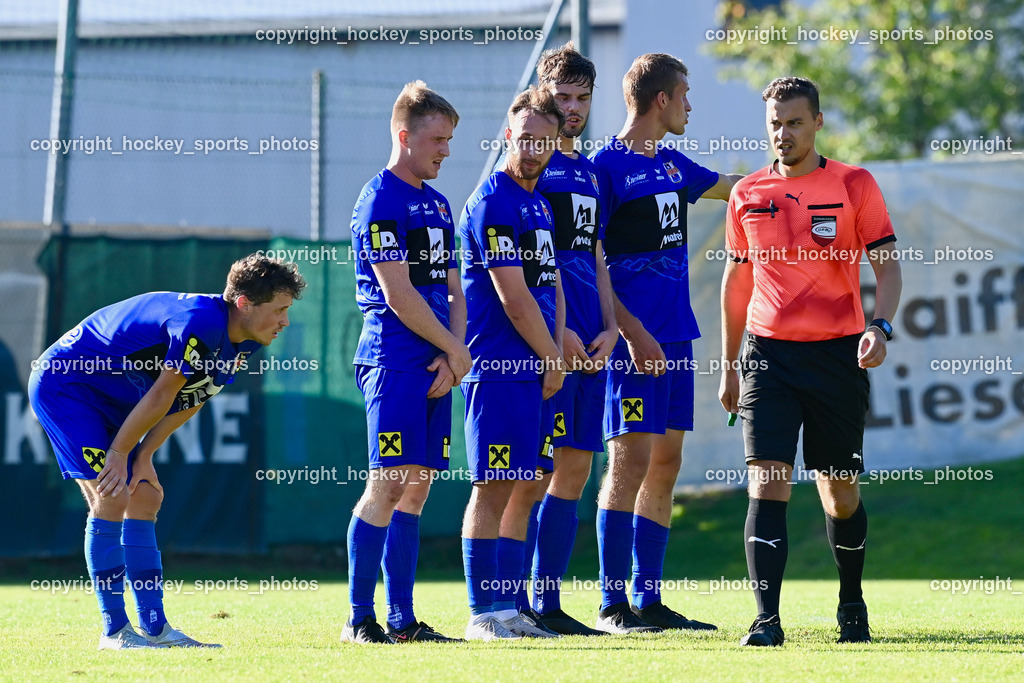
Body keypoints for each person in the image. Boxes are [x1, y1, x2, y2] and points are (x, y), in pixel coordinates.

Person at [28, 254, 305, 649]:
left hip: (116, 395)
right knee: (113, 494)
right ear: (244, 303)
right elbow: (163, 391)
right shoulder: (202, 321)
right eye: (279, 310)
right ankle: (115, 631)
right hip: (67, 384)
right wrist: (122, 452)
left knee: (145, 495)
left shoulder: (245, 340)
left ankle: (156, 629)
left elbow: (192, 398)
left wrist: (143, 456)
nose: (285, 321)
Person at [718, 76, 902, 646]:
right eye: (775, 123)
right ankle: (766, 620)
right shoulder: (746, 193)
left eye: (795, 122)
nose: (783, 133)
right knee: (767, 481)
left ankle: (851, 603)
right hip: (768, 356)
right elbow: (735, 283)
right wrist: (728, 365)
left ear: (817, 122)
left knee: (838, 490)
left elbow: (888, 267)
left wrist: (880, 326)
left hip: (836, 358)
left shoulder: (854, 184)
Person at [590, 53, 740, 634]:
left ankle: (648, 600)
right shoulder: (604, 167)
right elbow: (591, 258)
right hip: (635, 344)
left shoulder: (673, 163)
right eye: (685, 95)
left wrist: (799, 175)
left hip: (677, 337)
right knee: (627, 464)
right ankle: (611, 605)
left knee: (666, 464)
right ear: (662, 101)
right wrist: (632, 332)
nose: (691, 106)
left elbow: (733, 188)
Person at [345, 81, 470, 644]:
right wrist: (454, 348)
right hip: (393, 359)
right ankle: (358, 618)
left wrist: (454, 353)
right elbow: (399, 294)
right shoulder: (379, 200)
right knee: (387, 482)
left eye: (450, 139)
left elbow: (454, 289)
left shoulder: (439, 204)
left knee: (416, 488)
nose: (446, 150)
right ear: (405, 136)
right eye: (438, 139)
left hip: (437, 361)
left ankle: (401, 619)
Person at [459, 86, 566, 641]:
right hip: (498, 366)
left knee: (527, 480)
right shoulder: (494, 201)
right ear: (508, 135)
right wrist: (550, 354)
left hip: (537, 366)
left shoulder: (540, 203)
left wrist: (560, 345)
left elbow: (552, 284)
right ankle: (484, 611)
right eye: (524, 138)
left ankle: (509, 606)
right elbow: (512, 296)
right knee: (494, 483)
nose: (532, 149)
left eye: (543, 141)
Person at [526, 42, 616, 637]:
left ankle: (550, 601)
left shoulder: (585, 169)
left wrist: (610, 324)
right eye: (564, 96)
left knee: (577, 470)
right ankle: (516, 598)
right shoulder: (530, 168)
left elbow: (594, 253)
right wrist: (559, 334)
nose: (574, 108)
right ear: (543, 96)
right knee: (531, 473)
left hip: (593, 343)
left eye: (583, 98)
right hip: (549, 344)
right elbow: (532, 266)